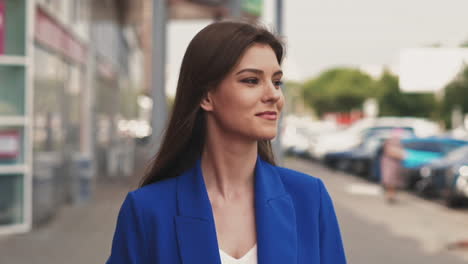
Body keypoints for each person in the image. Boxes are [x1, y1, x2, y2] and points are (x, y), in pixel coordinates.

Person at [106, 21, 346, 264]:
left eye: (276, 81)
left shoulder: (309, 198)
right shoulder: (147, 210)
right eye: (251, 80)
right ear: (206, 96)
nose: (273, 94)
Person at [381, 129, 406, 203]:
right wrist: (401, 155)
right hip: (390, 163)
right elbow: (389, 151)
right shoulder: (391, 141)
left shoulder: (399, 142)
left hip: (395, 164)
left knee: (393, 180)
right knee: (390, 180)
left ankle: (391, 195)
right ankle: (390, 195)